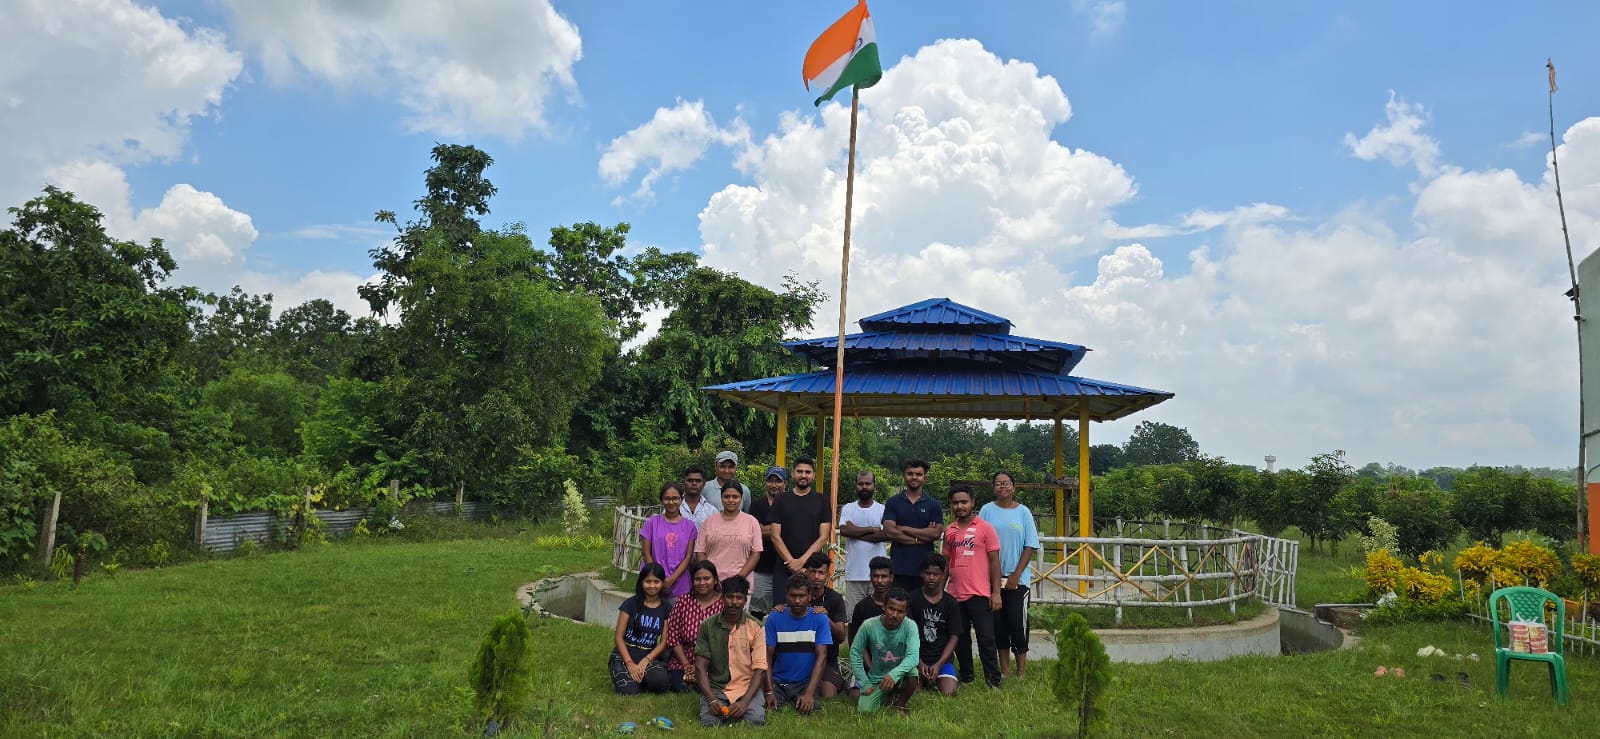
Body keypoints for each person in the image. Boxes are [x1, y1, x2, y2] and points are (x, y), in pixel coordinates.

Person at [979, 470, 1041, 679]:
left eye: (1006, 483)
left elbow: (1030, 545)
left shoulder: (1023, 512)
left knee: (1018, 624)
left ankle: (1021, 671)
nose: (1002, 487)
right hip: (992, 579)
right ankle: (1004, 670)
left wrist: (1016, 575)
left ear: (1014, 487)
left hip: (1017, 580)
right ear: (993, 487)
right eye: (998, 483)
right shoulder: (986, 510)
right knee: (999, 624)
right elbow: (980, 542)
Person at [943, 484, 1003, 688]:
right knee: (960, 639)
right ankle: (967, 677)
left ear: (972, 503)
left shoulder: (985, 528)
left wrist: (996, 593)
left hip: (979, 593)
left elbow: (995, 562)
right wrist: (941, 593)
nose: (959, 506)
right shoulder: (949, 531)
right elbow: (945, 564)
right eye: (955, 503)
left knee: (986, 638)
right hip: (954, 594)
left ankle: (993, 680)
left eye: (963, 502)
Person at [695, 576, 769, 726]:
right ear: (722, 598)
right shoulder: (707, 626)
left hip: (747, 689)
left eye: (739, 598)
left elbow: (760, 669)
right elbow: (700, 667)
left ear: (745, 600)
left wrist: (744, 702)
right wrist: (711, 699)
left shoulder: (757, 627)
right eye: (729, 597)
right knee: (709, 722)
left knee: (754, 720)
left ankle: (745, 704)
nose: (734, 602)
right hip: (717, 688)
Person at [763, 578, 833, 715]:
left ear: (810, 597)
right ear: (786, 596)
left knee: (812, 710)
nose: (796, 600)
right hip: (779, 683)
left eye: (801, 596)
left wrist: (809, 693)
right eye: (792, 595)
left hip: (805, 683)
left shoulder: (819, 619)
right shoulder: (775, 617)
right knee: (767, 710)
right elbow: (766, 657)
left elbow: (822, 658)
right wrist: (769, 691)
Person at [848, 588, 920, 715]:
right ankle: (887, 695)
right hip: (877, 677)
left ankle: (900, 705)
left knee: (913, 672)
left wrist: (894, 674)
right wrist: (864, 682)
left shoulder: (910, 626)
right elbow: (855, 652)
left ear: (905, 612)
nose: (895, 615)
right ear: (884, 607)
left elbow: (913, 657)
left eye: (900, 611)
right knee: (865, 710)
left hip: (900, 675)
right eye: (891, 609)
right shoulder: (868, 625)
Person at [770, 456, 831, 604]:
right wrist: (791, 562)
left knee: (811, 614)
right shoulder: (781, 499)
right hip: (783, 568)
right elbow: (775, 536)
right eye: (800, 471)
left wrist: (802, 562)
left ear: (813, 475)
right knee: (782, 612)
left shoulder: (822, 500)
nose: (803, 475)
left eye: (807, 472)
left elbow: (823, 537)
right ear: (792, 474)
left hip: (812, 570)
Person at [882, 459, 944, 594]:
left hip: (926, 572)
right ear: (904, 476)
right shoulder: (893, 502)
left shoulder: (934, 504)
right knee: (897, 611)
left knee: (921, 612)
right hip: (898, 569)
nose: (914, 477)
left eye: (918, 474)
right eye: (910, 473)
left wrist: (904, 528)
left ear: (925, 478)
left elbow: (935, 534)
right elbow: (889, 531)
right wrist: (921, 537)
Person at [610, 562, 672, 695]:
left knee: (660, 684)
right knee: (629, 691)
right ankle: (632, 676)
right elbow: (618, 637)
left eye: (656, 581)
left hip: (648, 656)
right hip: (624, 655)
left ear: (662, 583)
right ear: (641, 582)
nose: (652, 586)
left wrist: (646, 660)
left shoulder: (666, 608)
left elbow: (664, 642)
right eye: (647, 581)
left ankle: (642, 675)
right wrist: (629, 663)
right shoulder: (630, 604)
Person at [908, 553, 961, 697]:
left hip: (942, 660)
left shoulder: (951, 602)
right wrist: (919, 663)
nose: (931, 577)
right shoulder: (911, 599)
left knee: (949, 692)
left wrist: (938, 664)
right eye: (928, 573)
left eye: (936, 574)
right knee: (912, 690)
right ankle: (920, 677)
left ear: (943, 575)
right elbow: (905, 634)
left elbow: (954, 636)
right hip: (915, 658)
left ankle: (939, 675)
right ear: (921, 574)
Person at [666, 560, 724, 693]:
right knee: (679, 687)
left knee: (713, 687)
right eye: (697, 579)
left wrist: (703, 668)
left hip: (714, 662)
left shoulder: (723, 604)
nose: (702, 583)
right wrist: (687, 666)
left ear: (715, 580)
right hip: (684, 659)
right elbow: (673, 636)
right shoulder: (683, 601)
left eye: (707, 578)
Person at [693, 483, 762, 592]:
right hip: (712, 586)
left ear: (741, 498)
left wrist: (738, 579)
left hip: (740, 585)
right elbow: (700, 551)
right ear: (721, 497)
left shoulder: (751, 522)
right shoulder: (709, 521)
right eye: (726, 497)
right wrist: (711, 578)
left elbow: (756, 554)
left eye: (735, 497)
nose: (731, 500)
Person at [837, 470, 888, 615]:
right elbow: (845, 531)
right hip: (854, 575)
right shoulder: (848, 508)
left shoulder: (882, 509)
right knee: (854, 619)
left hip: (879, 575)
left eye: (868, 483)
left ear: (874, 486)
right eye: (860, 484)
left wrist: (856, 532)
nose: (864, 487)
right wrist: (871, 529)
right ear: (856, 486)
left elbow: (884, 535)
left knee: (880, 618)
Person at [802, 552, 849, 697]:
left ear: (828, 575)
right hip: (802, 657)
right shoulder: (798, 596)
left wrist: (826, 618)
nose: (816, 577)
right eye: (813, 572)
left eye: (821, 573)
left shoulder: (835, 599)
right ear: (806, 573)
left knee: (828, 695)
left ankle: (836, 679)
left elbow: (841, 637)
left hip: (829, 659)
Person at [640, 481, 697, 599]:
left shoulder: (690, 526)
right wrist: (657, 579)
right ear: (661, 500)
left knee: (678, 617)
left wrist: (671, 579)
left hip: (680, 584)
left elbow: (688, 557)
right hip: (653, 583)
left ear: (681, 500)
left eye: (675, 498)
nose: (671, 502)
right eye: (667, 499)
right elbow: (646, 552)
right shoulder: (652, 523)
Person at [747, 466, 785, 614]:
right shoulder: (757, 505)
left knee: (783, 610)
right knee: (757, 611)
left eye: (778, 481)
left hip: (784, 567)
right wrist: (780, 529)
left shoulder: (789, 503)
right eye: (771, 480)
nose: (774, 485)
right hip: (761, 567)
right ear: (766, 482)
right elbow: (757, 532)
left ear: (785, 483)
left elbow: (792, 529)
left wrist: (767, 528)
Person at [849, 556, 894, 646]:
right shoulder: (861, 607)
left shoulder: (900, 605)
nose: (879, 581)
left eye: (884, 576)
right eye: (876, 576)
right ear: (870, 577)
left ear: (891, 578)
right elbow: (854, 640)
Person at [679, 465, 717, 530]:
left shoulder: (712, 511)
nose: (694, 483)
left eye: (698, 481)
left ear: (704, 484)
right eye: (690, 480)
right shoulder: (673, 508)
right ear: (683, 482)